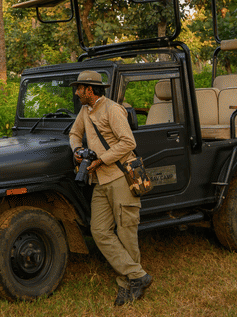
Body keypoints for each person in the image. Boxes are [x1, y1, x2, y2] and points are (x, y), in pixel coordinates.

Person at [68, 70, 152, 306]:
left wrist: (101, 159)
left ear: (89, 90)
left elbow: (129, 142)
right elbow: (75, 133)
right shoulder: (85, 111)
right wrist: (76, 150)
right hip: (100, 181)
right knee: (99, 231)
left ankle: (129, 284)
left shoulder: (112, 109)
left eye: (79, 88)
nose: (77, 92)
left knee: (126, 230)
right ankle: (138, 275)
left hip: (119, 176)